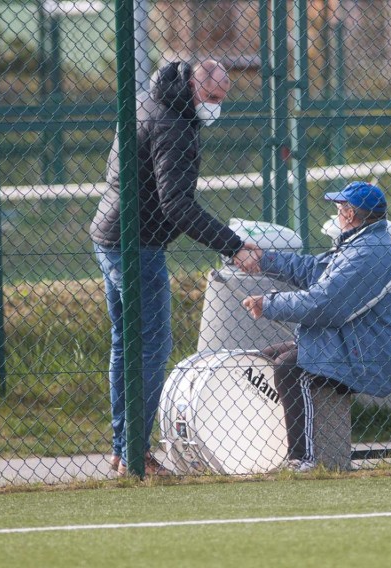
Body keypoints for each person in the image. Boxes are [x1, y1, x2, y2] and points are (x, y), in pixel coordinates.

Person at [90, 59, 253, 476]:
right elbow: (177, 206)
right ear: (195, 87)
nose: (216, 106)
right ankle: (134, 455)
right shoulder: (176, 127)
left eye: (222, 99)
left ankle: (122, 447)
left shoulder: (152, 101)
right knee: (151, 347)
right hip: (137, 244)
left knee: (125, 345)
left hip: (111, 234)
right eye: (212, 98)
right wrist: (232, 246)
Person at [235, 181, 391, 472]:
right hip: (344, 342)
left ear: (350, 214)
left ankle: (303, 459)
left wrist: (269, 304)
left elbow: (324, 305)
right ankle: (269, 449)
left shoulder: (369, 253)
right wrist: (264, 260)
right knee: (265, 358)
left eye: (340, 207)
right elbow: (312, 270)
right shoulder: (359, 242)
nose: (337, 212)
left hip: (360, 354)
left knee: (289, 369)